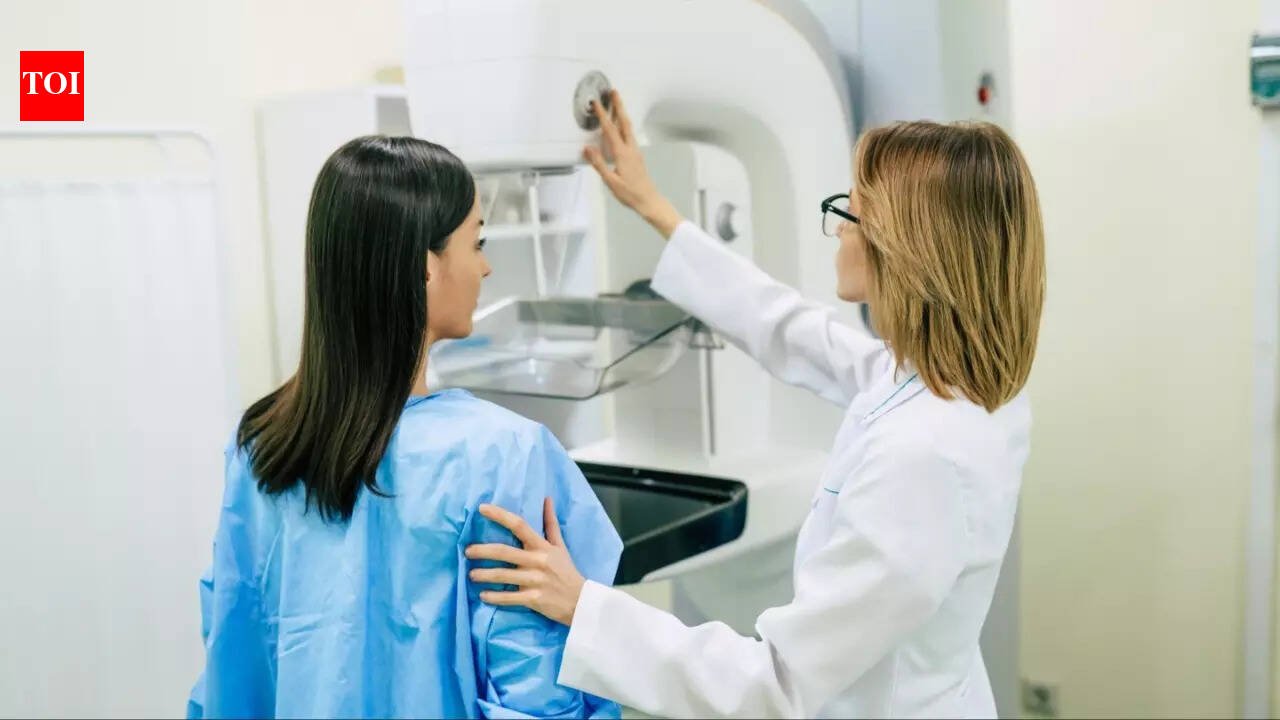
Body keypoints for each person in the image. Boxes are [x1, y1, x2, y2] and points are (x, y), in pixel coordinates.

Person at [465, 91, 1045, 718]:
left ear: (906, 248)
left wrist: (582, 606)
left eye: (851, 212)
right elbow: (797, 332)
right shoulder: (960, 383)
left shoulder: (923, 455)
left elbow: (777, 683)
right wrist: (656, 209)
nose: (840, 227)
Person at [187, 136, 622, 719]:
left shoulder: (262, 445)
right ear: (424, 267)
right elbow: (535, 687)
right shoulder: (502, 454)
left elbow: (230, 662)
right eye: (477, 242)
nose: (486, 266)